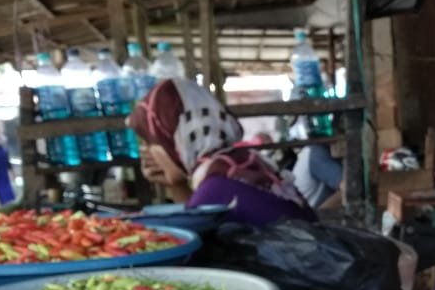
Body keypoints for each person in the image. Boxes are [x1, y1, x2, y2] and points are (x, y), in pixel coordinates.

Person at [128, 78, 316, 225]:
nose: (146, 151)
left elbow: (193, 251)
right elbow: (195, 215)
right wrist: (175, 185)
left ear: (174, 141)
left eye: (150, 141)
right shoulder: (240, 164)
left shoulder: (215, 189)